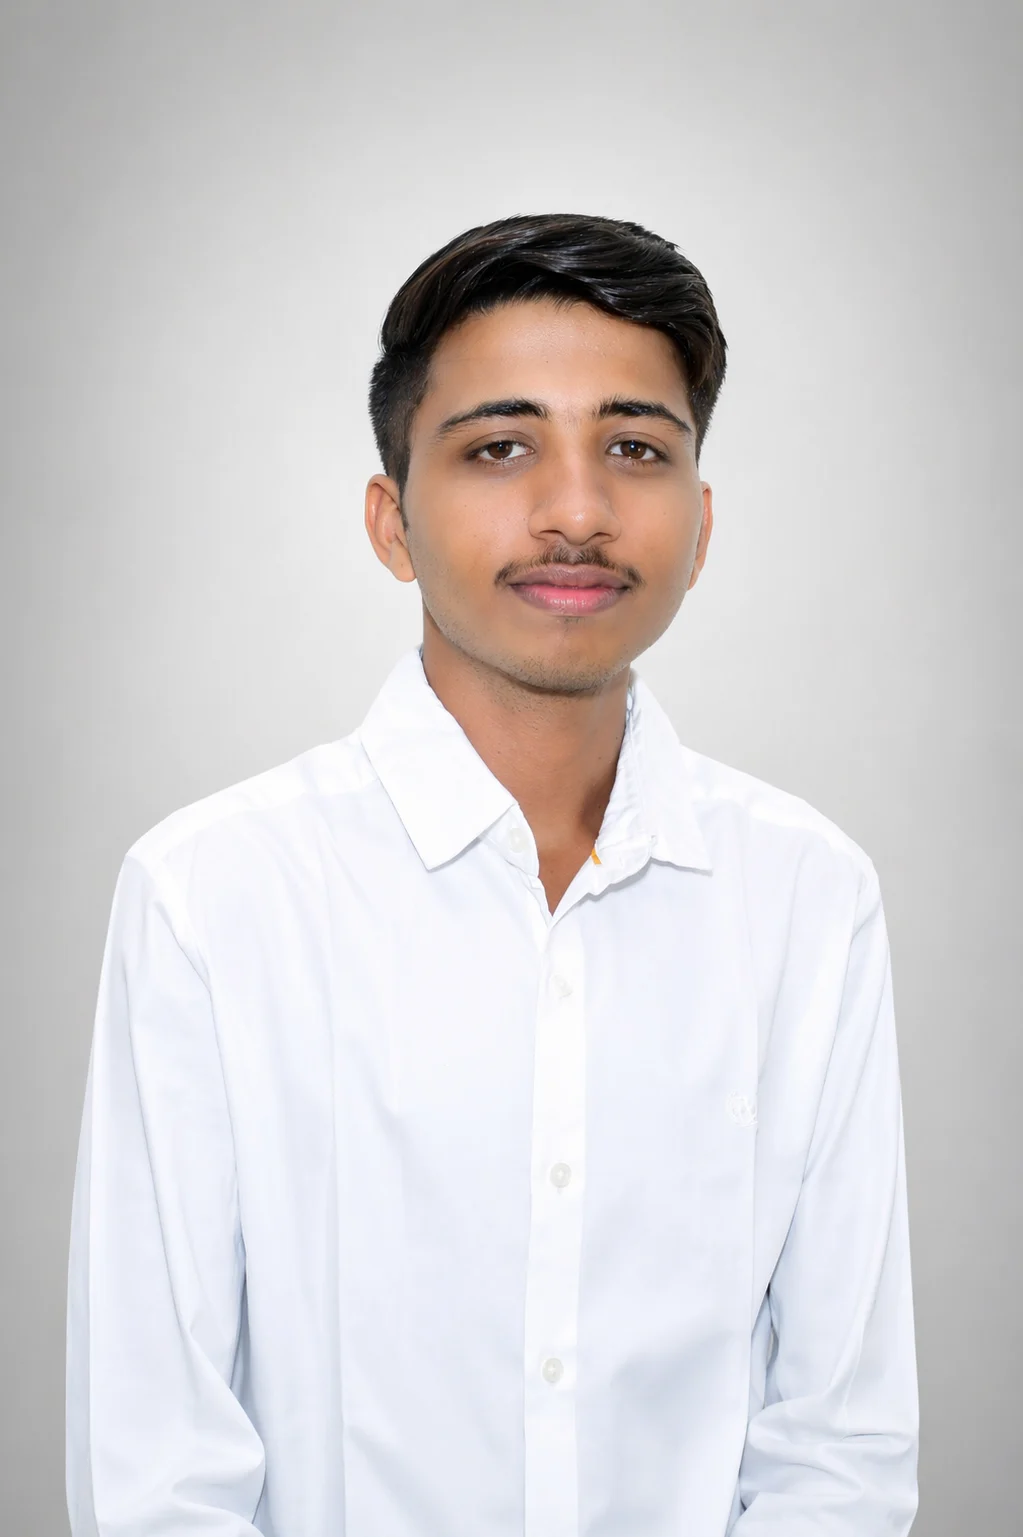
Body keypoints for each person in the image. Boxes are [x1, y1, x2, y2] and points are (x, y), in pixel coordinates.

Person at [66, 213, 919, 1535]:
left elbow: (840, 1451)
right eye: (500, 447)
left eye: (634, 448)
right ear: (391, 521)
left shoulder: (806, 898)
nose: (576, 511)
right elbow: (158, 1470)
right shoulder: (214, 897)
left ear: (699, 525)